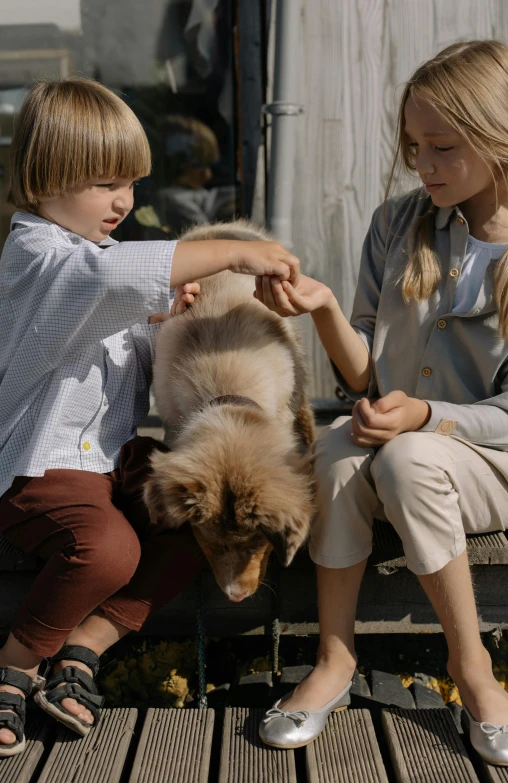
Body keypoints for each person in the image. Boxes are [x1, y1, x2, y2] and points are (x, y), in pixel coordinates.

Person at [0, 76, 299, 757]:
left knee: (183, 516)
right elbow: (103, 285)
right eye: (106, 183)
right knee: (111, 548)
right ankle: (15, 662)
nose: (124, 201)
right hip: (39, 467)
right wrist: (231, 250)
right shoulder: (32, 255)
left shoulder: (98, 259)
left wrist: (159, 316)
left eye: (131, 184)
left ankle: (87, 643)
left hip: (107, 461)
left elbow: (115, 324)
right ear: (48, 176)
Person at [256, 40, 508, 766]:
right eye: (413, 147)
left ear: (500, 139)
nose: (423, 165)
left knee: (405, 458)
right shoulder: (399, 224)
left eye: (441, 147)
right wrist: (321, 310)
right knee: (337, 451)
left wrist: (426, 417)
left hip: (495, 460)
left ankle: (475, 673)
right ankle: (333, 660)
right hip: (395, 446)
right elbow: (366, 379)